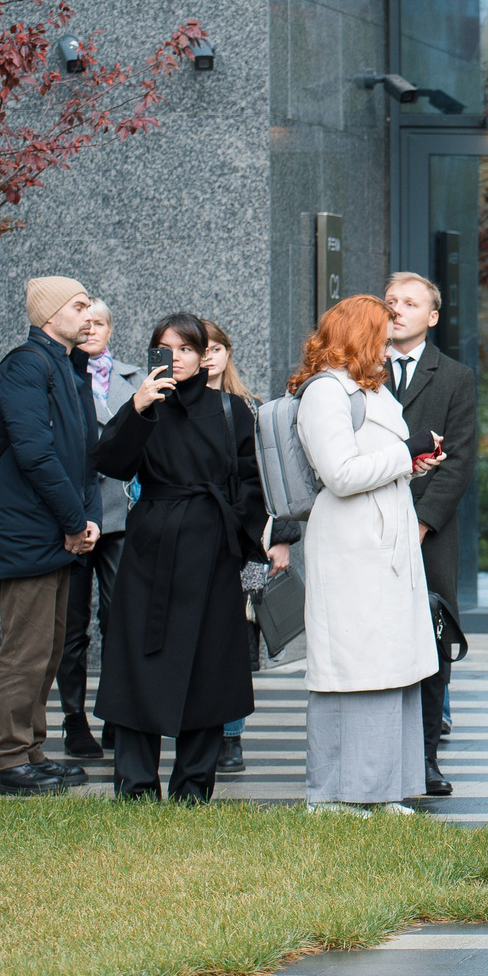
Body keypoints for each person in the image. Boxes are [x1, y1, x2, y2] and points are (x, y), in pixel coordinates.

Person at [90, 313, 268, 801]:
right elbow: (109, 462)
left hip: (212, 551)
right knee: (137, 664)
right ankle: (136, 787)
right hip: (150, 549)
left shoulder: (231, 409)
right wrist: (138, 407)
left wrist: (232, 533)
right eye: (166, 349)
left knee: (209, 668)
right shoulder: (144, 405)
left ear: (204, 355)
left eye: (187, 349)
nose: (177, 358)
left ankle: (193, 787)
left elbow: (253, 484)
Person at [290, 294, 442, 815]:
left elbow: (373, 463)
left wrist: (412, 462)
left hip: (381, 541)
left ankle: (381, 789)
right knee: (354, 667)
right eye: (382, 336)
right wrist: (406, 452)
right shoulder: (325, 392)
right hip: (351, 546)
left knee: (391, 665)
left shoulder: (366, 388)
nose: (389, 347)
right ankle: (337, 794)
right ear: (359, 336)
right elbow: (339, 474)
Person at [0, 277, 101, 795]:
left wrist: (86, 520)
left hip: (55, 531)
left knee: (47, 650)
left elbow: (85, 455)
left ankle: (31, 752)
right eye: (79, 305)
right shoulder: (25, 365)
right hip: (26, 531)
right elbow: (34, 453)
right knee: (24, 652)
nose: (89, 314)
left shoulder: (66, 366)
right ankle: (4, 762)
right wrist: (74, 523)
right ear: (50, 315)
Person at [384, 272, 478, 799]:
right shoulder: (361, 369)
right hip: (369, 525)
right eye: (390, 301)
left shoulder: (455, 377)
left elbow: (459, 459)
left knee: (432, 638)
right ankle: (380, 753)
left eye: (410, 303)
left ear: (433, 316)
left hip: (430, 534)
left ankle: (425, 758)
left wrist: (420, 523)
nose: (397, 310)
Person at [200, 319, 295, 776]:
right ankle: (199, 731)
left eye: (216, 348)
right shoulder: (171, 407)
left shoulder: (251, 409)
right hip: (195, 540)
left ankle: (231, 736)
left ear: (228, 353)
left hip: (249, 545)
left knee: (239, 638)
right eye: (201, 348)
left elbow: (276, 480)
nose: (209, 356)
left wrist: (282, 539)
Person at [57, 300, 138, 761]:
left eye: (100, 323)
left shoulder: (134, 378)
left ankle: (114, 713)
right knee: (72, 623)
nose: (91, 330)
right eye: (84, 323)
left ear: (111, 329)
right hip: (73, 512)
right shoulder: (58, 373)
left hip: (120, 514)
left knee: (117, 617)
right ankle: (74, 718)